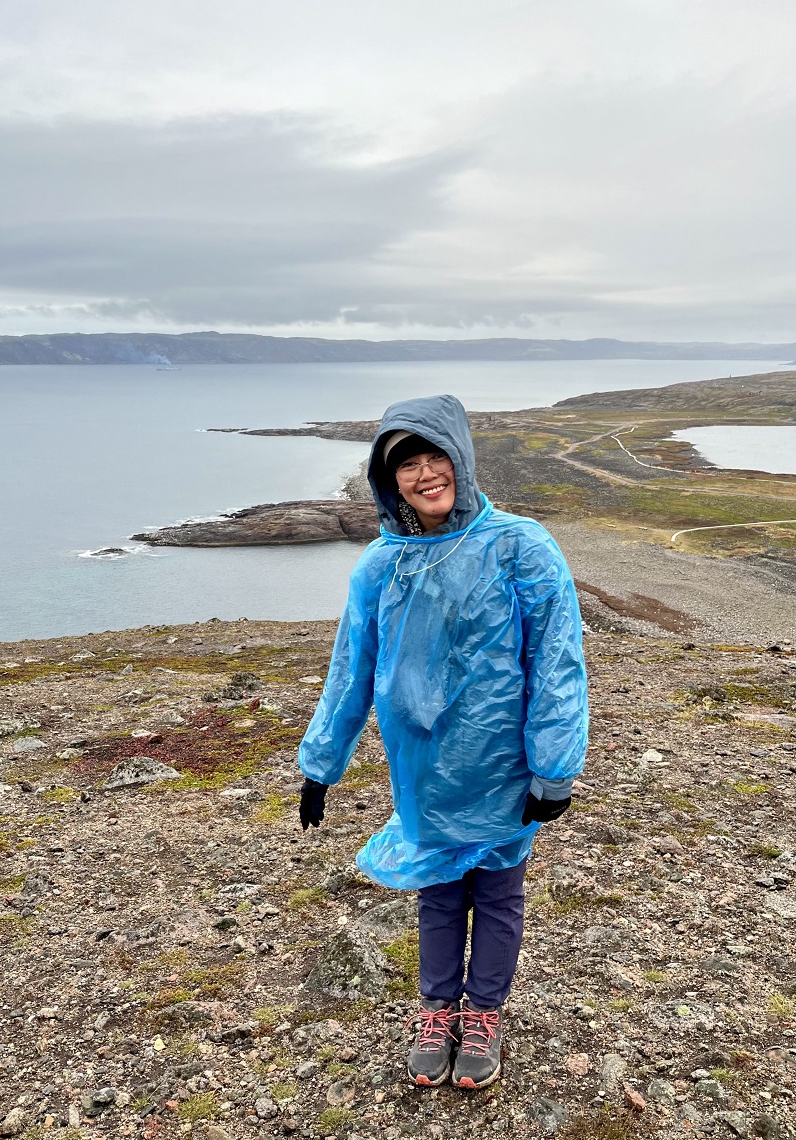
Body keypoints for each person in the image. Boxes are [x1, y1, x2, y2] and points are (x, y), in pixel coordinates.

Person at [297, 394, 588, 1091]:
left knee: (494, 891)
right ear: (385, 479)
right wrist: (320, 763)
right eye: (405, 466)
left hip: (502, 766)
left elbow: (555, 660)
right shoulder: (379, 566)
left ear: (459, 459)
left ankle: (482, 1013)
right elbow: (351, 668)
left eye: (434, 457)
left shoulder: (520, 546)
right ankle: (436, 1008)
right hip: (423, 770)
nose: (423, 475)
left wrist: (554, 766)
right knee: (436, 891)